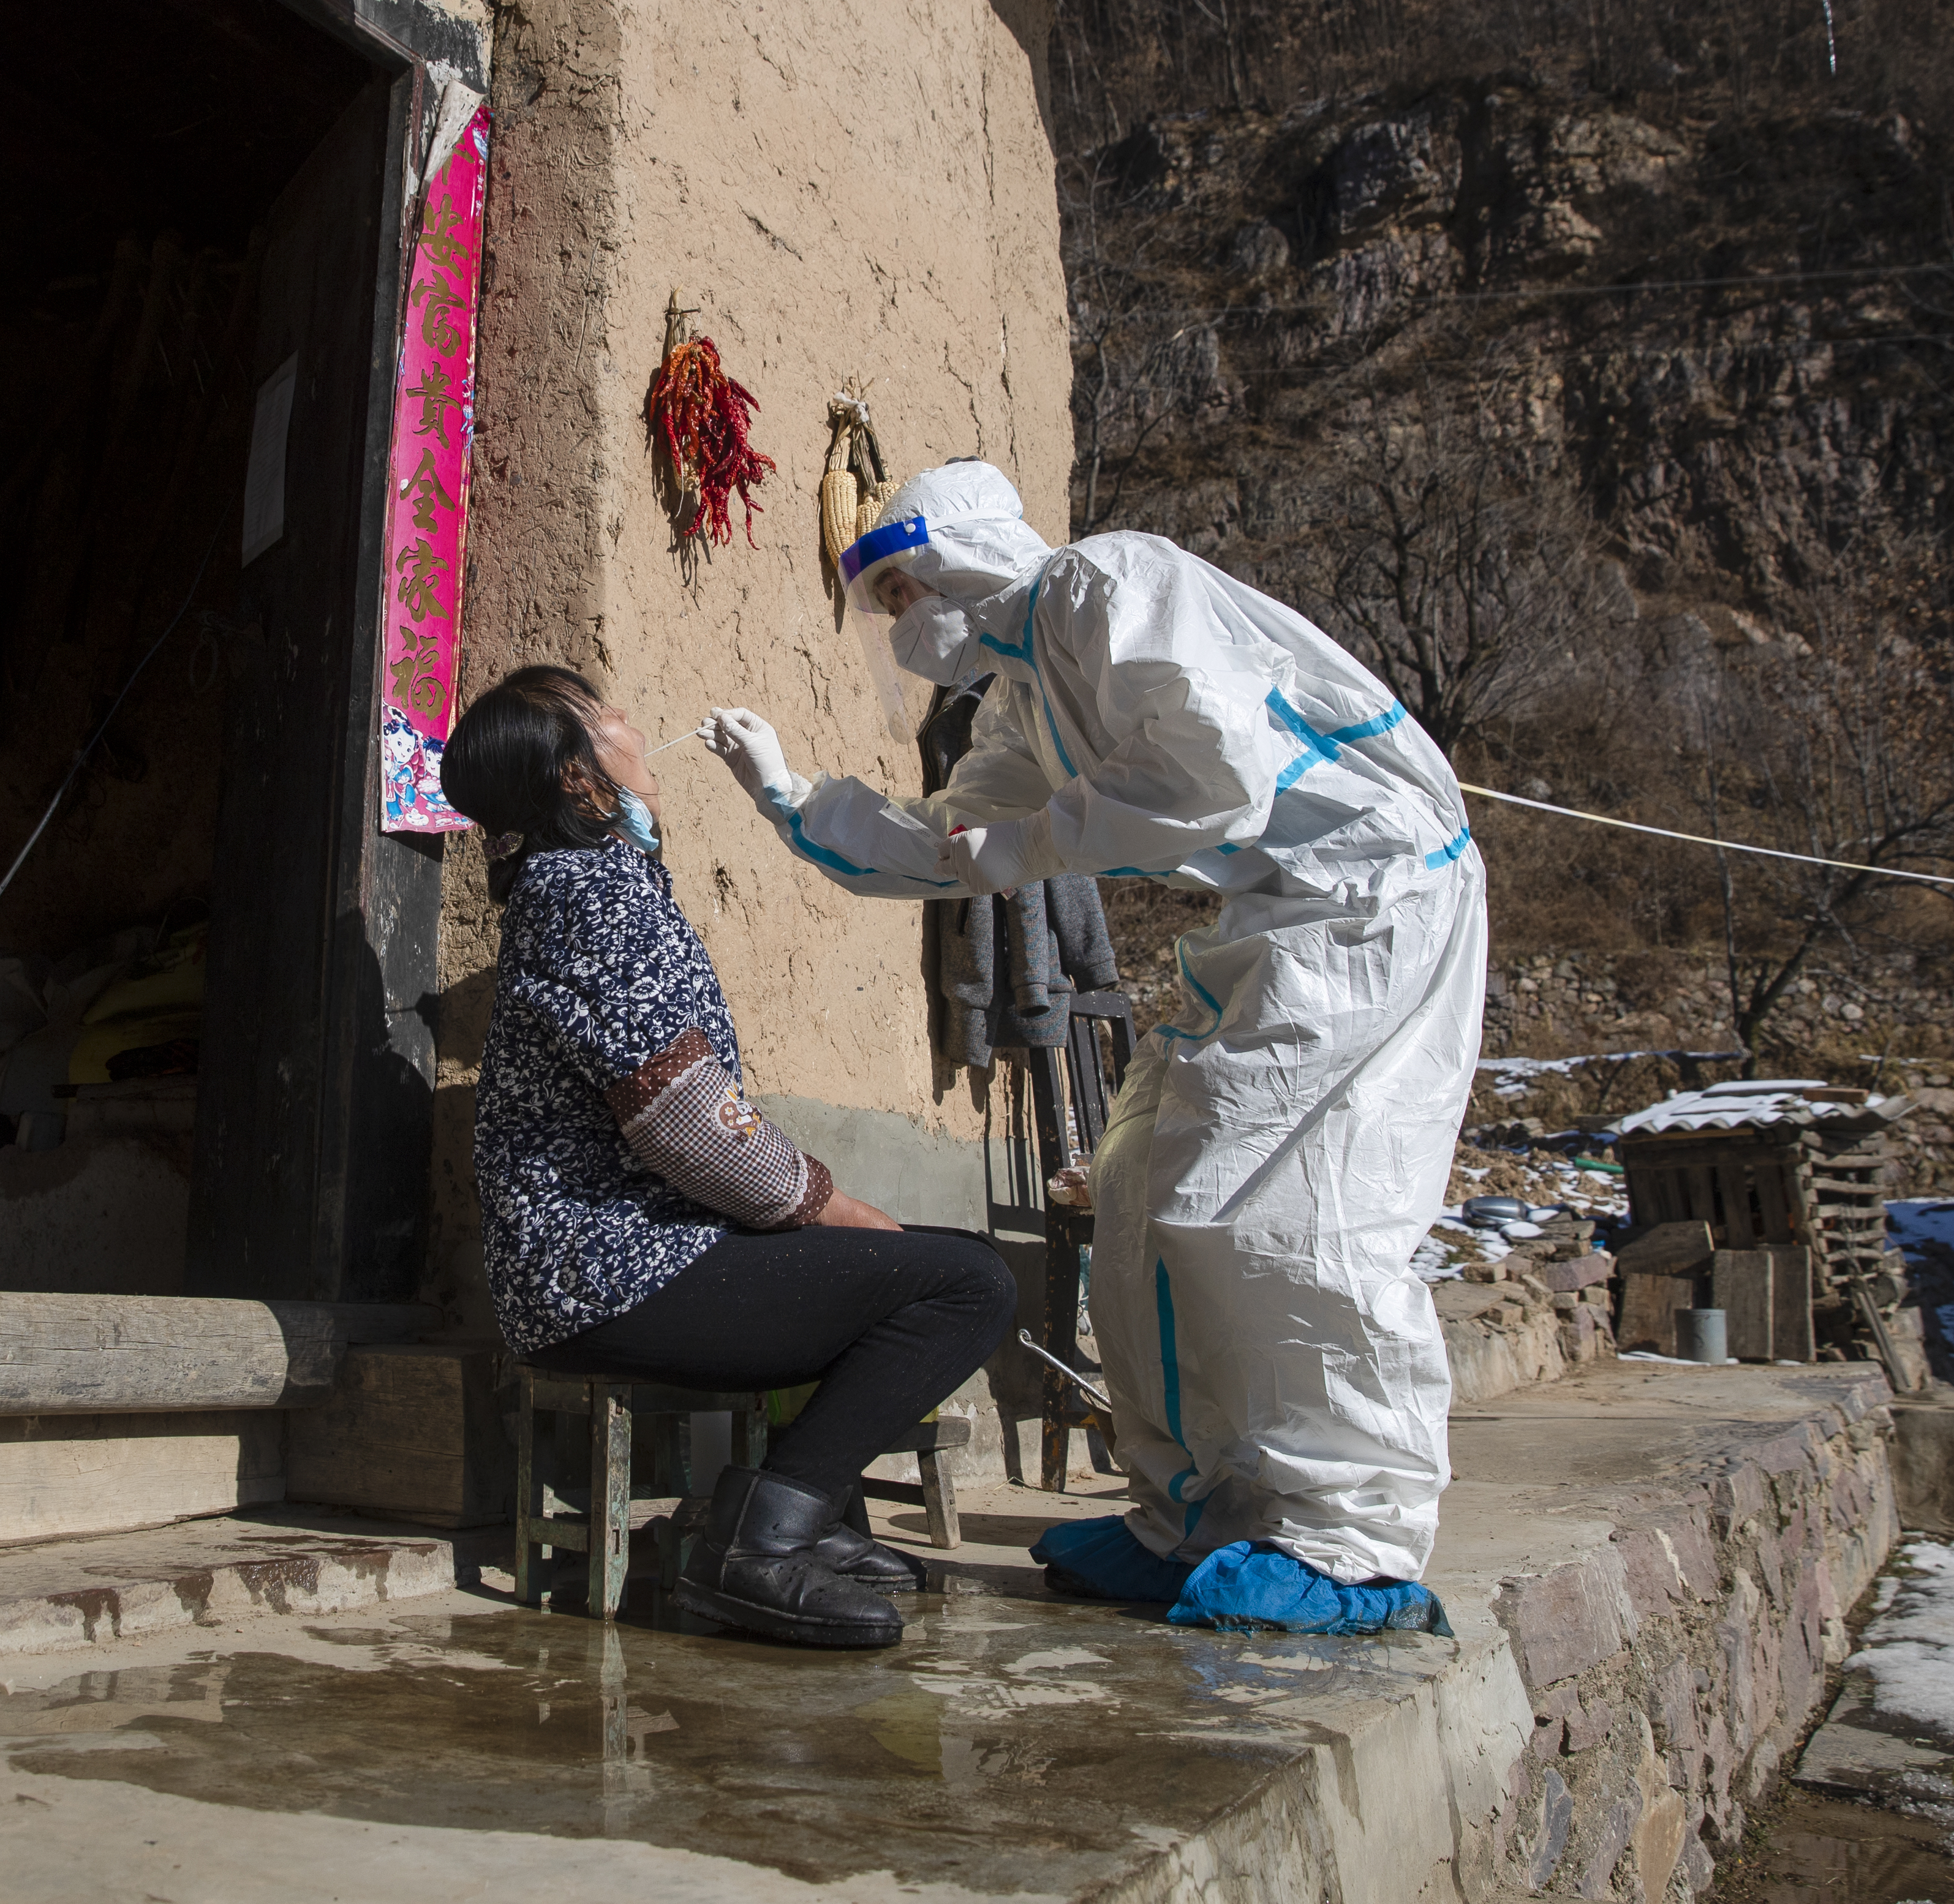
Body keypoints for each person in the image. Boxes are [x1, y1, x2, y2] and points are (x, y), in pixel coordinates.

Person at [698, 462, 1484, 1636]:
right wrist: (796, 802)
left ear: (961, 557)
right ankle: (1187, 1516)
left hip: (1370, 903)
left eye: (909, 587)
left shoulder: (1109, 582)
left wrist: (1027, 847)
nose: (905, 620)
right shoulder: (1022, 696)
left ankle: (1350, 1542)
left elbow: (1210, 776)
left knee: (1284, 1215)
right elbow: (956, 843)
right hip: (1269, 920)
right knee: (1137, 1196)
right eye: (891, 601)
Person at [443, 664, 1016, 1650]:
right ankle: (752, 1547)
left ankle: (820, 1523)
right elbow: (688, 1126)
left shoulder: (590, 888)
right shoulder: (589, 898)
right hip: (607, 1276)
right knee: (966, 1285)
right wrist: (840, 1211)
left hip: (608, 1269)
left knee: (893, 1268)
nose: (630, 724)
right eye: (604, 717)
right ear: (579, 779)